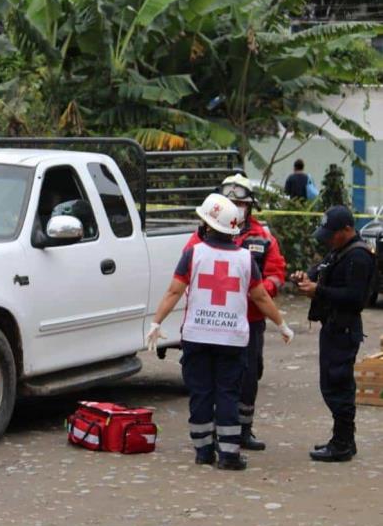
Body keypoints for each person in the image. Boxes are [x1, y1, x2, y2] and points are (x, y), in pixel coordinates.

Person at [147, 193, 293, 470]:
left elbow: (174, 291)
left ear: (208, 225)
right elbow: (261, 298)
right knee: (228, 393)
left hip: (197, 336)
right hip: (231, 339)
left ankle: (203, 451)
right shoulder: (245, 259)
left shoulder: (193, 253)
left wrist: (156, 322)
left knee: (200, 393)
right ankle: (229, 455)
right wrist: (282, 325)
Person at [183, 174, 287, 451]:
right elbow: (186, 275)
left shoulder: (262, 237)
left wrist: (257, 290)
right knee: (208, 381)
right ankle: (213, 435)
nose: (235, 208)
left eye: (240, 203)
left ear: (249, 206)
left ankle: (242, 430)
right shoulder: (200, 236)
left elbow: (276, 274)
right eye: (231, 202)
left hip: (249, 320)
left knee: (249, 376)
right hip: (210, 321)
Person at [291, 205, 376, 462]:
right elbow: (321, 270)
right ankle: (341, 440)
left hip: (344, 328)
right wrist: (304, 277)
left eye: (332, 233)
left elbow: (355, 298)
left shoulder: (359, 257)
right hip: (333, 326)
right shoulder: (339, 251)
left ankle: (342, 443)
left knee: (338, 385)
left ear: (347, 230)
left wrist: (318, 290)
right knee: (330, 384)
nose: (328, 238)